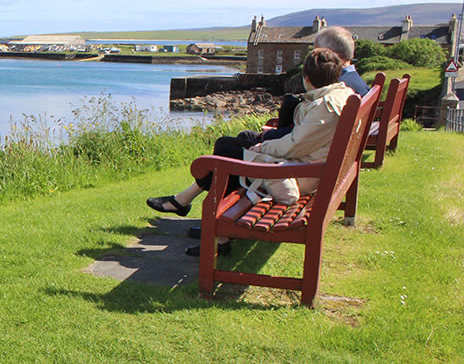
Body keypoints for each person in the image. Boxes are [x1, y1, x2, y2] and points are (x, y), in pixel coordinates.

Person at [146, 48, 352, 256]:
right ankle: (194, 210)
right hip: (308, 169)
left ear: (306, 78)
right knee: (229, 147)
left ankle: (210, 227)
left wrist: (262, 147)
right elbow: (302, 141)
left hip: (297, 175)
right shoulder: (342, 96)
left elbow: (295, 145)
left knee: (224, 152)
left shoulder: (325, 107)